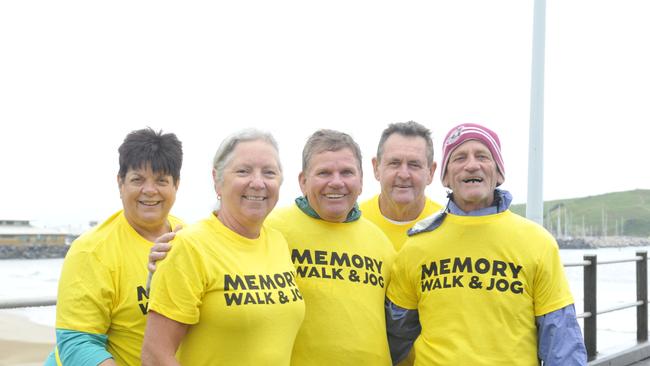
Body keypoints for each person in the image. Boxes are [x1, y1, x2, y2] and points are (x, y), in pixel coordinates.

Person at [385, 123, 587, 365]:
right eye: (459, 157)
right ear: (446, 177)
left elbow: (562, 341)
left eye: (482, 156)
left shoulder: (538, 242)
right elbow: (395, 339)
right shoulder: (416, 246)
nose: (471, 164)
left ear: (499, 173)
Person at [141, 130, 305, 366]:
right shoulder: (189, 246)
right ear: (217, 179)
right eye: (243, 171)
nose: (258, 182)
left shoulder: (278, 242)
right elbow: (155, 356)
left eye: (269, 172)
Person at [44, 127, 184, 366]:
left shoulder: (188, 237)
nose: (150, 190)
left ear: (176, 185)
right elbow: (77, 342)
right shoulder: (91, 250)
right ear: (120, 183)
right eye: (137, 179)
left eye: (161, 180)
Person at [265, 129, 395, 365]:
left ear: (361, 181)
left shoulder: (381, 242)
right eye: (324, 172)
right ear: (303, 181)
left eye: (347, 172)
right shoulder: (270, 230)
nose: (336, 182)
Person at [360, 121, 442, 252]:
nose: (404, 175)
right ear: (376, 168)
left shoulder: (444, 225)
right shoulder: (353, 221)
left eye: (414, 164)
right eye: (394, 163)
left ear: (430, 172)